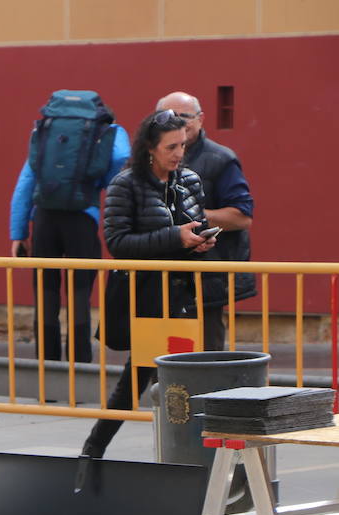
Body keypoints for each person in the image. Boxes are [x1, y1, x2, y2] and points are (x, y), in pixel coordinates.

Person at [80, 110, 220, 458]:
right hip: (145, 296)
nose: (178, 154)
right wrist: (176, 237)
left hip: (184, 294)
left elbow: (193, 227)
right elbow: (118, 243)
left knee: (174, 379)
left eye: (183, 146)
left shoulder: (189, 180)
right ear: (150, 149)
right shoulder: (124, 184)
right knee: (141, 378)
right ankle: (96, 450)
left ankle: (101, 450)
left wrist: (199, 243)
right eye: (171, 146)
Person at [9, 93, 130, 363]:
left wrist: (18, 233)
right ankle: (79, 368)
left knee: (46, 296)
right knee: (79, 296)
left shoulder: (45, 128)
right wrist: (101, 182)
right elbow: (122, 156)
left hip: (44, 219)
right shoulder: (107, 129)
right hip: (82, 218)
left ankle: (46, 371)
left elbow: (26, 180)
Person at [156, 90, 255, 304]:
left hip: (206, 277)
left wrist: (188, 218)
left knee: (205, 337)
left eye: (184, 117)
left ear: (200, 120)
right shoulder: (144, 160)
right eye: (168, 116)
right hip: (156, 276)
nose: (176, 122)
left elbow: (242, 218)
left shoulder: (221, 159)